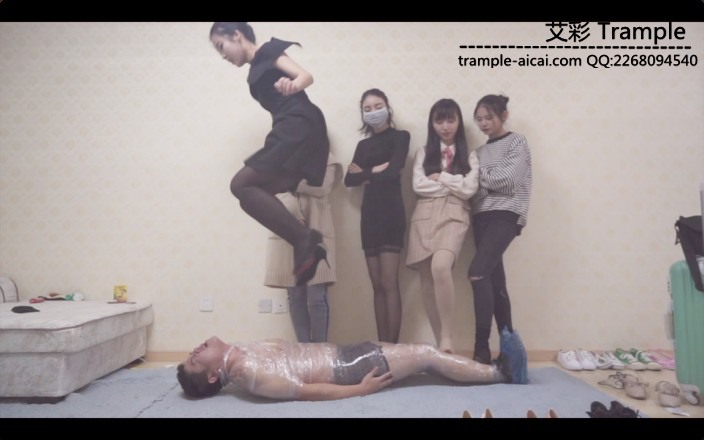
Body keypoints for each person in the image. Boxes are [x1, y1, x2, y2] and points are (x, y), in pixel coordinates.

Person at [209, 22, 330, 286]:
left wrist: (293, 85)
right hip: (290, 127)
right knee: (250, 196)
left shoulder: (267, 51)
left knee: (240, 184)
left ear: (237, 35)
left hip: (299, 124)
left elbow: (306, 76)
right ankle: (307, 245)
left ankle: (304, 239)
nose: (223, 55)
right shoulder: (254, 68)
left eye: (221, 46)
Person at [176, 327, 529, 401]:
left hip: (345, 352)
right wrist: (359, 389)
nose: (195, 349)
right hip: (348, 368)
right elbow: (304, 391)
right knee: (425, 354)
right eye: (195, 359)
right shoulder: (250, 374)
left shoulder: (241, 353)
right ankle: (502, 373)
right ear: (213, 376)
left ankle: (495, 369)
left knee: (418, 356)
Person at [406, 99, 479, 354]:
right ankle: (441, 346)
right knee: (426, 278)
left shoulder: (470, 155)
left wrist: (441, 177)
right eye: (439, 121)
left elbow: (469, 190)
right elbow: (418, 185)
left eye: (450, 120)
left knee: (440, 266)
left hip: (455, 213)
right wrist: (454, 183)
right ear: (432, 124)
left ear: (459, 122)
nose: (445, 126)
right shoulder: (423, 152)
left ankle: (448, 336)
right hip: (424, 214)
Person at [468, 94, 532, 365]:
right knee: (496, 283)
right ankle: (510, 352)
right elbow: (471, 190)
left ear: (503, 115)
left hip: (506, 215)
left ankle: (481, 348)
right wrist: (483, 183)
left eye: (489, 117)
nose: (484, 123)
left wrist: (480, 177)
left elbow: (508, 181)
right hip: (480, 217)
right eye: (479, 119)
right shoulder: (478, 153)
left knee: (477, 273)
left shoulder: (517, 142)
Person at [344, 88, 410, 343]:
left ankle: (393, 348)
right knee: (377, 285)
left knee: (389, 282)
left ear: (388, 107)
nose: (373, 112)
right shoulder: (363, 145)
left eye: (378, 106)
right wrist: (374, 171)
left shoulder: (401, 137)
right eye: (367, 109)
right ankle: (381, 346)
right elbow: (349, 180)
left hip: (391, 213)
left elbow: (393, 173)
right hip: (369, 216)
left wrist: (365, 173)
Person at [263, 153, 343, 342]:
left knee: (316, 295)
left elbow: (322, 187)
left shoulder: (327, 158)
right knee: (295, 295)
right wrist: (294, 216)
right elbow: (273, 189)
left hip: (317, 231)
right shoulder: (281, 155)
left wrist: (289, 181)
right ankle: (304, 350)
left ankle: (320, 350)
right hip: (287, 229)